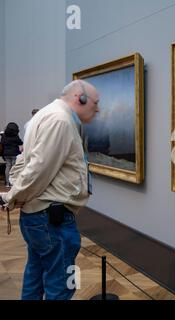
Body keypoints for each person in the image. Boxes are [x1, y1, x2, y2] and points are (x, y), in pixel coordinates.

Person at [0, 80, 100, 300]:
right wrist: (12, 197)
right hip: (52, 219)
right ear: (79, 98)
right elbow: (37, 169)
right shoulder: (60, 121)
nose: (98, 108)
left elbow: (22, 161)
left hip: (40, 217)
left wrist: (14, 195)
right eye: (95, 102)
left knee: (34, 276)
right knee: (61, 285)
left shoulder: (43, 116)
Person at [1, 122, 24, 187]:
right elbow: (20, 142)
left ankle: (7, 183)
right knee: (14, 167)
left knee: (7, 167)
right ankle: (12, 182)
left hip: (6, 153)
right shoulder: (16, 136)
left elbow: (2, 142)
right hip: (14, 153)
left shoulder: (4, 136)